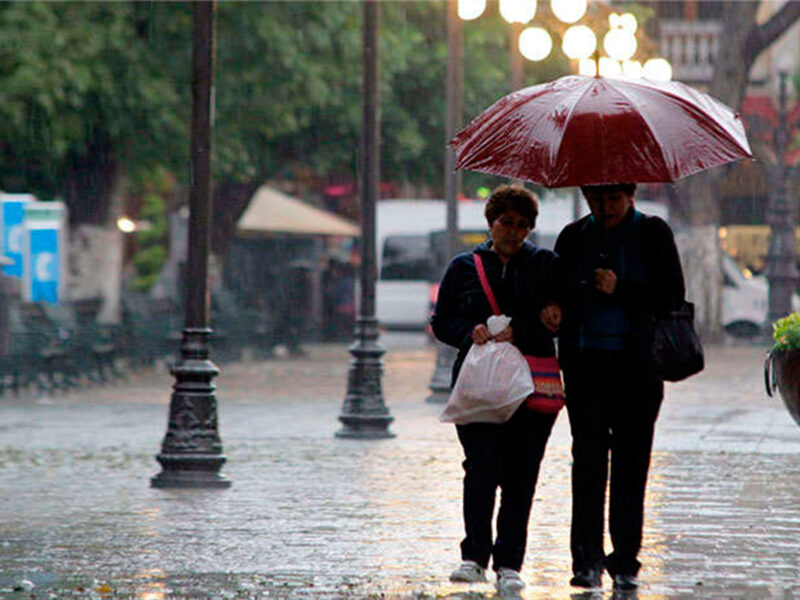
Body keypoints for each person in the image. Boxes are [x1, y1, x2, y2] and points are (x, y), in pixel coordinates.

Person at [548, 182, 686, 591]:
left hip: (638, 369)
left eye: (611, 199)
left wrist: (621, 288)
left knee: (631, 464)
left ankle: (625, 559)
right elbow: (558, 289)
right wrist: (564, 301)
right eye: (594, 199)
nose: (603, 208)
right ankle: (586, 560)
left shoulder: (653, 233)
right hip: (585, 365)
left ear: (629, 195)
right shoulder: (574, 236)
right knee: (587, 464)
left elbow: (672, 298)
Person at [431, 184, 560, 595]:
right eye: (507, 222)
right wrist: (471, 332)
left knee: (522, 474)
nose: (514, 231)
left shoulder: (545, 265)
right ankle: (474, 557)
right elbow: (442, 320)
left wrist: (527, 325)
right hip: (477, 388)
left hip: (529, 388)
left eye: (523, 225)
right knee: (481, 468)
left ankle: (509, 562)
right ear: (491, 222)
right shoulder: (463, 267)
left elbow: (560, 315)